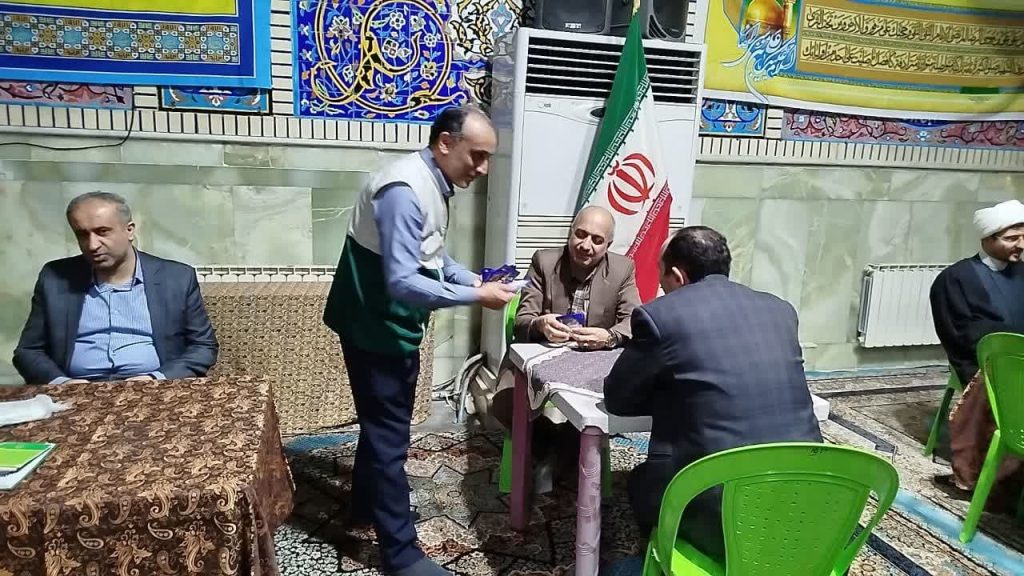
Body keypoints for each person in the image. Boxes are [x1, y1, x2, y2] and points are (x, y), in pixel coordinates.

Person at [322, 106, 515, 576]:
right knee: (389, 438)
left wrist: (475, 278)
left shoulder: (430, 181)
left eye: (489, 158)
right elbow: (403, 281)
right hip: (376, 328)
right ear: (445, 143)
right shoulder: (404, 191)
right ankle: (401, 556)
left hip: (386, 325)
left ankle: (365, 506)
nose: (483, 168)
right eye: (478, 155)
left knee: (381, 425)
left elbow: (433, 254)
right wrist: (478, 296)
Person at [604, 225, 822, 561]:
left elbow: (618, 398)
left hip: (725, 518)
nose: (662, 286)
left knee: (638, 483)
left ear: (677, 276)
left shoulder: (661, 315)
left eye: (662, 278)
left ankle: (666, 559)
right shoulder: (781, 309)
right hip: (808, 506)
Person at [13, 191, 218, 384]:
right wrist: (63, 383)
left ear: (129, 230)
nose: (92, 245)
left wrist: (157, 378)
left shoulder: (176, 277)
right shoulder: (55, 278)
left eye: (102, 232)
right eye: (82, 235)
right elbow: (28, 352)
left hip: (153, 387)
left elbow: (203, 346)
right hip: (76, 389)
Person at [931, 199, 1024, 491]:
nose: (1021, 245)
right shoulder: (956, 279)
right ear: (988, 239)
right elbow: (961, 334)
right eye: (1012, 238)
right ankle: (986, 478)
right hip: (981, 364)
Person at [513, 205, 640, 349]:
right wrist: (539, 325)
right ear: (570, 232)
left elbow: (634, 320)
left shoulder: (622, 269)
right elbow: (521, 322)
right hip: (545, 348)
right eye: (580, 234)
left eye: (597, 240)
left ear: (608, 246)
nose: (585, 246)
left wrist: (609, 337)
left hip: (596, 354)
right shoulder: (543, 262)